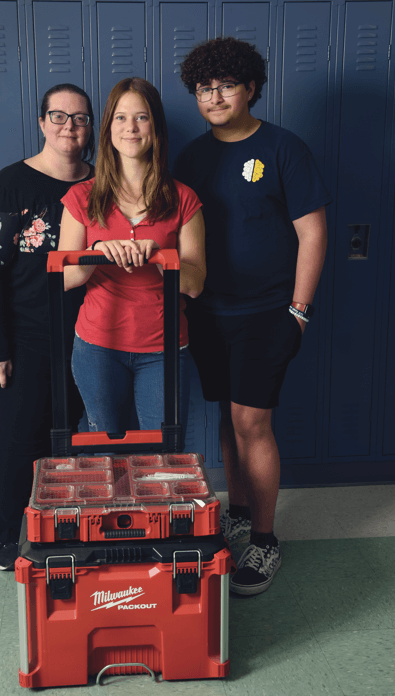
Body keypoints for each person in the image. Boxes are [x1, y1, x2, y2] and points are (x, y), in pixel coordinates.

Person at [173, 37, 331, 596]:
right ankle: (237, 512)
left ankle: (264, 542)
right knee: (225, 418)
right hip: (210, 311)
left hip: (269, 311)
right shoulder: (191, 157)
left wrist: (299, 310)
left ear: (250, 88)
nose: (213, 97)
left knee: (251, 423)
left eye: (225, 86)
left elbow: (312, 232)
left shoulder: (284, 148)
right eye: (203, 88)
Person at [0, 84, 95, 571]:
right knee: (23, 437)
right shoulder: (11, 184)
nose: (69, 126)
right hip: (23, 337)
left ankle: (60, 526)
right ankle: (8, 534)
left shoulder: (100, 183)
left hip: (88, 337)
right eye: (59, 116)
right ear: (42, 122)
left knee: (70, 439)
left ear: (90, 129)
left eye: (80, 118)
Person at [59, 77, 205, 441]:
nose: (131, 128)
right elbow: (65, 277)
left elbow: (196, 285)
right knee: (105, 452)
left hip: (163, 348)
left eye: (141, 118)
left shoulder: (183, 199)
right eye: (121, 118)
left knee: (165, 455)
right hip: (98, 347)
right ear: (108, 128)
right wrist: (95, 255)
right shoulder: (81, 197)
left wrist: (158, 256)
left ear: (155, 127)